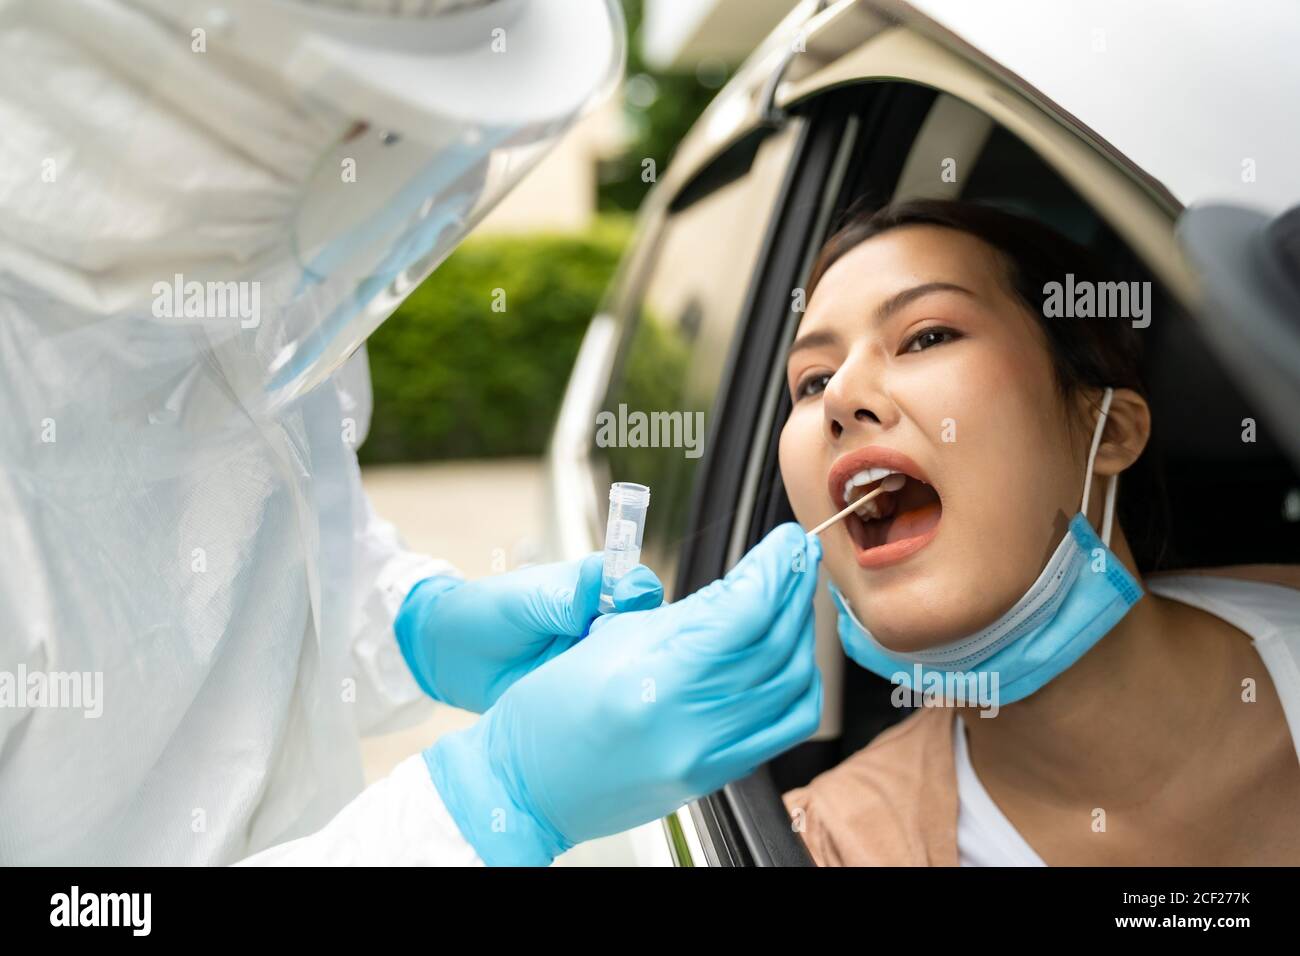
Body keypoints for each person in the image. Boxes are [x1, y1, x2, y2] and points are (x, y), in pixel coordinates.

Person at [0, 0, 822, 866]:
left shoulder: (246, 276)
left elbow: (289, 551)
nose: (393, 165)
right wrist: (483, 808)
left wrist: (414, 626)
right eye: (357, 119)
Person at [777, 199, 1300, 866]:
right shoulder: (824, 846)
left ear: (1107, 431)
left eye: (928, 336)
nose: (841, 397)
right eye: (813, 380)